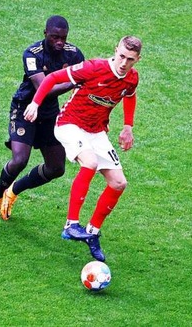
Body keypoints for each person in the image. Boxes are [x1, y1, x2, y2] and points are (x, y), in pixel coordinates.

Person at [23, 35, 142, 262]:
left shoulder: (131, 78)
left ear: (138, 59)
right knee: (90, 162)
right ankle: (71, 224)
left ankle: (92, 232)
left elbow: (130, 95)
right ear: (115, 49)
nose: (124, 63)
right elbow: (52, 79)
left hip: (96, 131)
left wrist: (128, 126)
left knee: (119, 183)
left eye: (130, 59)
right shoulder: (93, 68)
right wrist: (35, 103)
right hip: (69, 124)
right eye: (122, 56)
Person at [0, 16, 85, 226]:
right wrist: (74, 82)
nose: (60, 42)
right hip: (25, 109)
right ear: (45, 33)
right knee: (20, 160)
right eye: (55, 37)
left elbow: (88, 79)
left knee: (57, 168)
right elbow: (44, 88)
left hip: (49, 114)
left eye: (63, 38)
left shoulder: (74, 54)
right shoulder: (32, 54)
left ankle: (14, 190)